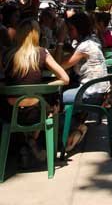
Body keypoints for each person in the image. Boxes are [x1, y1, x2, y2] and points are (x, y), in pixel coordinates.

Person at [1, 18, 69, 165]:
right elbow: (65, 79)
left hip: (9, 112)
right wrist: (45, 86)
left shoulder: (6, 54)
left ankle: (24, 144)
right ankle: (32, 139)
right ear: (37, 35)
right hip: (35, 112)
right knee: (53, 102)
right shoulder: (42, 53)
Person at [58, 13, 109, 151]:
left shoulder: (85, 46)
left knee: (56, 98)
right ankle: (75, 126)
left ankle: (70, 130)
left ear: (79, 29)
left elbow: (61, 66)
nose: (69, 32)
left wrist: (60, 42)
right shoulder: (91, 40)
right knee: (67, 90)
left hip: (91, 93)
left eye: (71, 29)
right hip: (100, 90)